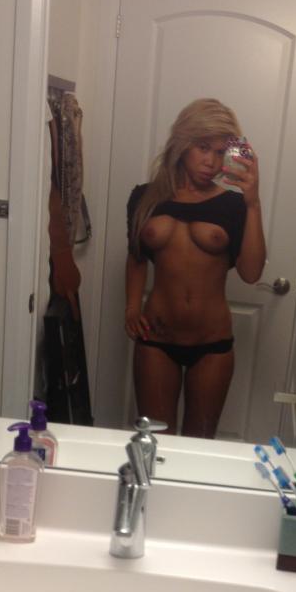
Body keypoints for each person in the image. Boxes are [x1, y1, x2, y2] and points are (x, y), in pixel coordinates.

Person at [124, 98, 266, 438]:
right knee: (155, 443)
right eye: (203, 148)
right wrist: (131, 306)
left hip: (211, 344)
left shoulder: (233, 205)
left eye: (220, 152)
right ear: (183, 143)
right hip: (156, 339)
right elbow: (136, 257)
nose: (211, 161)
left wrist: (253, 203)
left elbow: (251, 273)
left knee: (199, 445)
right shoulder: (145, 198)